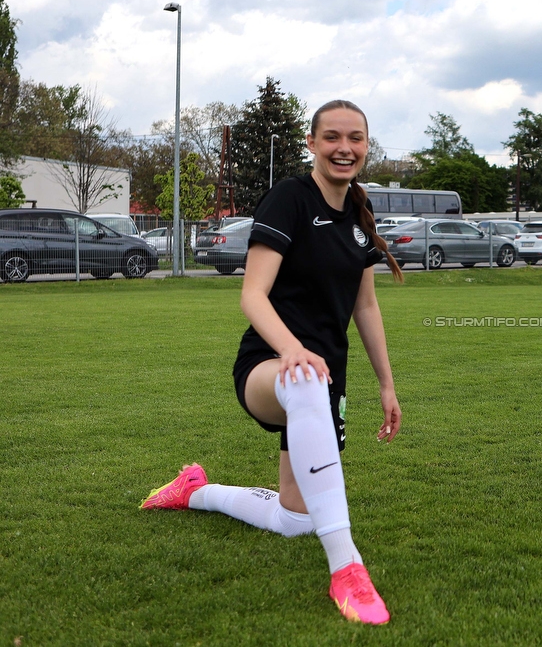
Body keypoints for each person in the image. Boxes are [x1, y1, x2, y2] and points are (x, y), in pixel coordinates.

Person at [141, 100, 404, 625]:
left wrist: (386, 386)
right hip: (269, 366)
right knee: (305, 378)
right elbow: (253, 295)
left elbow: (365, 305)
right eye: (331, 137)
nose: (344, 148)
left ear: (367, 147)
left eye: (355, 138)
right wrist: (290, 349)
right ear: (312, 143)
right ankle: (346, 567)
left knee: (295, 519)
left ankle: (197, 490)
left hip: (322, 380)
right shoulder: (289, 197)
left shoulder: (357, 213)